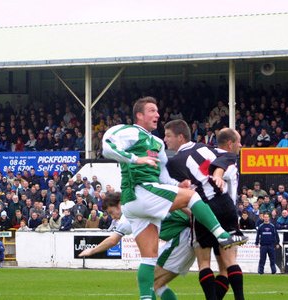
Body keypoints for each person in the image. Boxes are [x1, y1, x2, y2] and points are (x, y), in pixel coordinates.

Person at [102, 97, 242, 300]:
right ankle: (220, 233)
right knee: (192, 196)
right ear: (139, 115)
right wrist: (136, 159)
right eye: (152, 111)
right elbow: (107, 147)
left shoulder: (157, 143)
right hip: (140, 191)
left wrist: (178, 185)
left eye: (157, 111)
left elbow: (163, 176)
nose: (157, 114)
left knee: (149, 259)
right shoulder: (129, 131)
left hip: (138, 203)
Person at [164, 121, 247, 300]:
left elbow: (174, 190)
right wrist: (217, 174)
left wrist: (189, 208)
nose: (165, 140)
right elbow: (229, 157)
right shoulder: (207, 148)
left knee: (204, 262)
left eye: (168, 136)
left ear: (180, 137)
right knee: (229, 263)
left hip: (204, 208)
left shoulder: (174, 163)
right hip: (226, 205)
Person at [79, 192, 195, 300]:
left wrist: (92, 250)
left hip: (180, 239)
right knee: (156, 283)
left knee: (147, 279)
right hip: (186, 236)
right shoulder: (141, 201)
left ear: (119, 204)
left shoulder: (129, 214)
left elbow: (113, 240)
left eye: (111, 212)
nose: (112, 217)